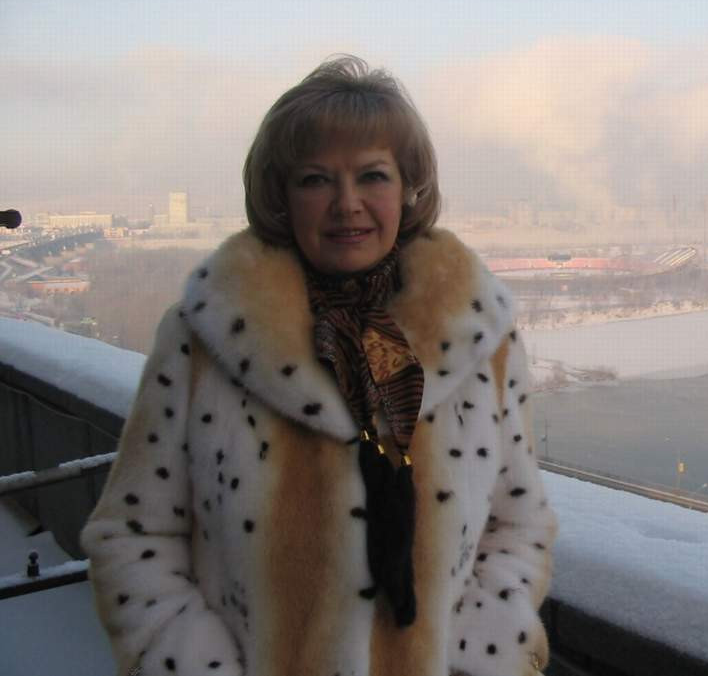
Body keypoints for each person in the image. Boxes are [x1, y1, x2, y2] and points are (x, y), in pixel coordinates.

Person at [81, 56, 557, 676]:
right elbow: (132, 534)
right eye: (315, 180)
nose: (347, 204)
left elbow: (517, 521)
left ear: (408, 188)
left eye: (373, 176)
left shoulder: (480, 340)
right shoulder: (205, 341)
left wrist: (484, 656)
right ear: (281, 196)